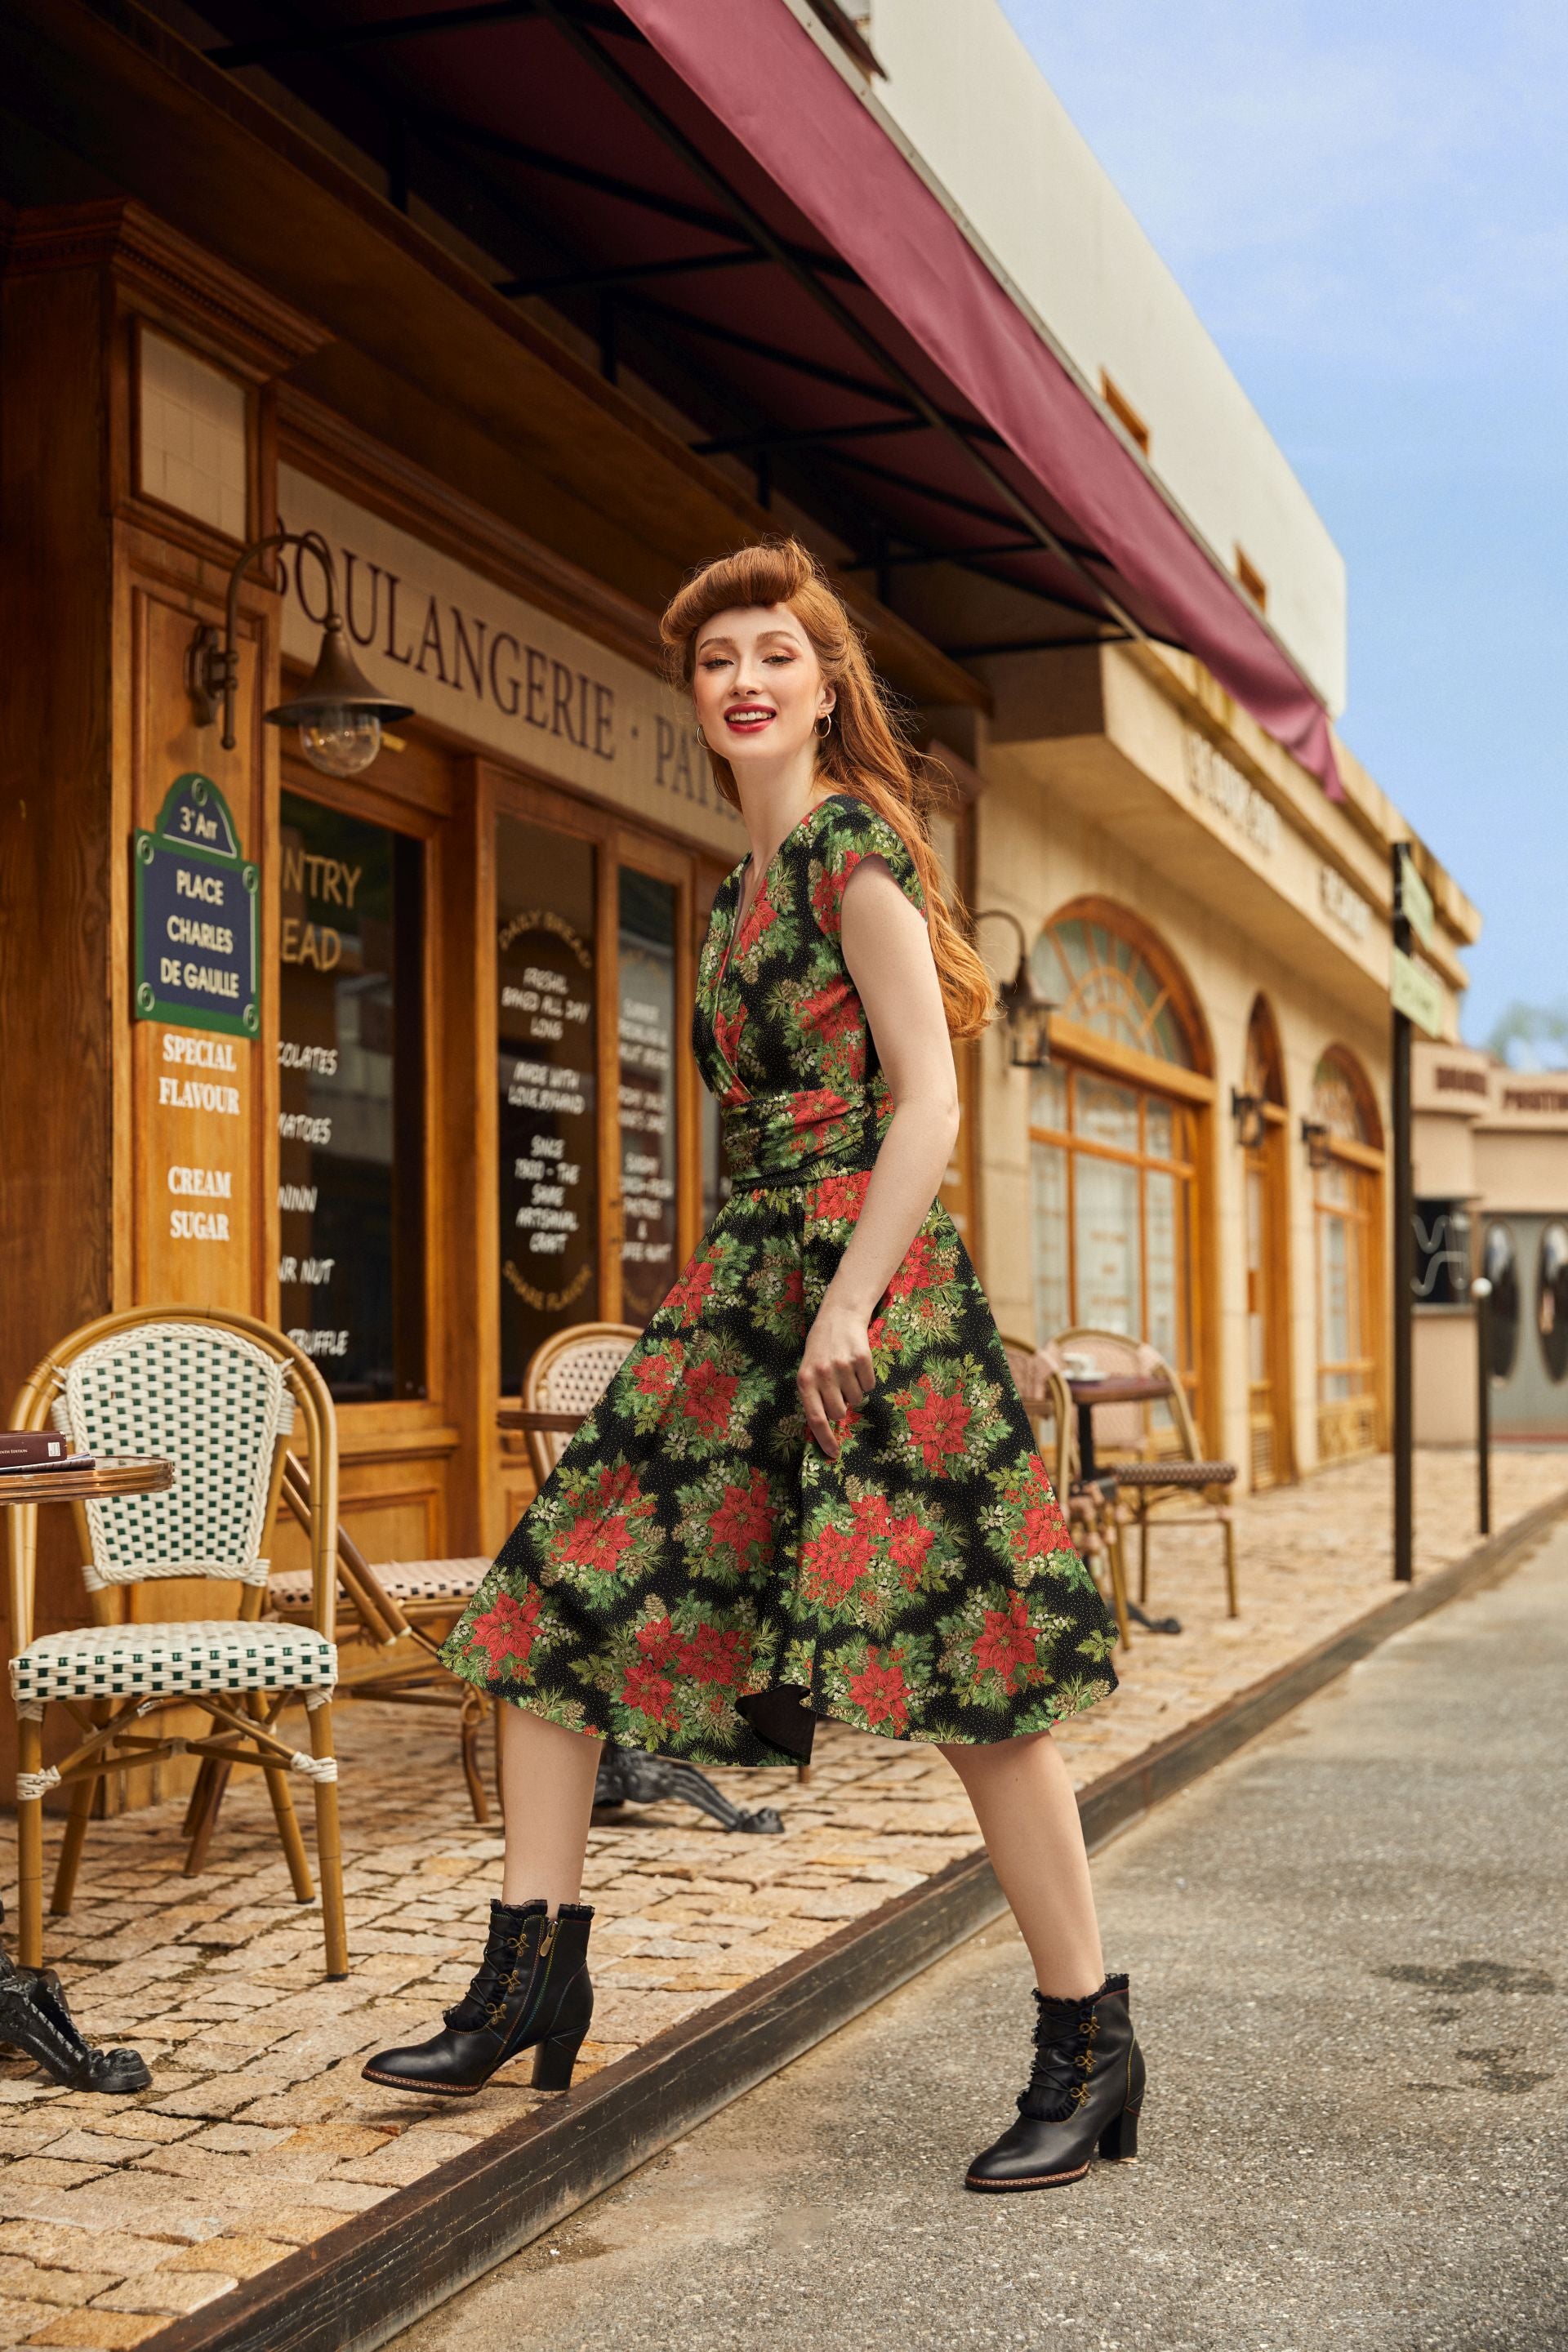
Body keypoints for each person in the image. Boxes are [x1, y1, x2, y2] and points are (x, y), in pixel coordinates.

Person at [364, 539, 1143, 2193]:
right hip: (752, 1279)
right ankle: (532, 1965)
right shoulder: (737, 891)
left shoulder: (853, 851)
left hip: (872, 1291)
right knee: (555, 1601)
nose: (742, 679)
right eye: (717, 657)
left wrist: (851, 1303)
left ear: (825, 682)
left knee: (973, 1686)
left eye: (772, 652)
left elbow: (926, 1099)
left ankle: (1089, 2040)